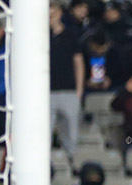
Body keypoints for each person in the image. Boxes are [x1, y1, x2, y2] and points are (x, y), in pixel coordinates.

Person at [50, 1, 85, 157]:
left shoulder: (71, 35)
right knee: (44, 131)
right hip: (45, 92)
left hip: (68, 90)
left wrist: (79, 90)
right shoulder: (38, 36)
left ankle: (72, 163)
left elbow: (78, 62)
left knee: (71, 132)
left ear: (60, 13)